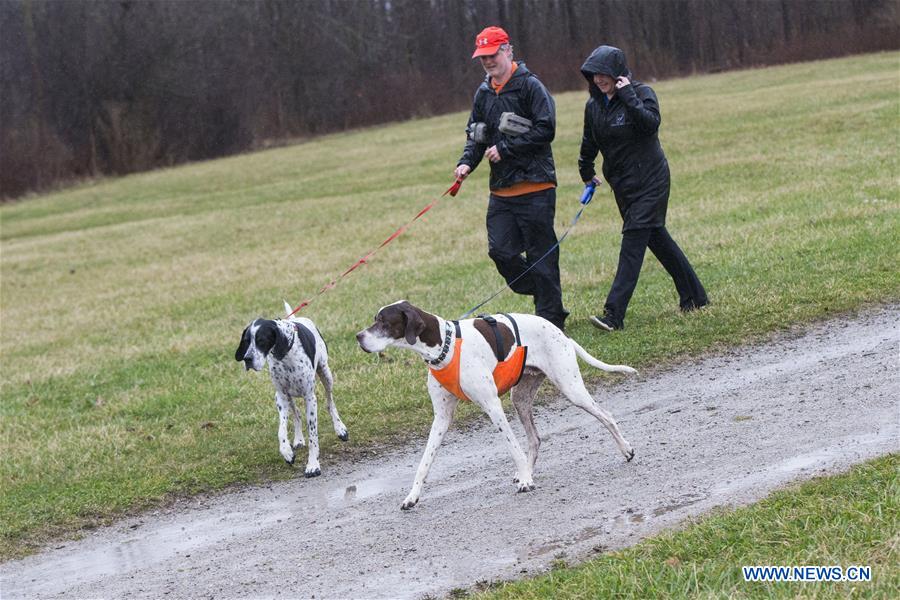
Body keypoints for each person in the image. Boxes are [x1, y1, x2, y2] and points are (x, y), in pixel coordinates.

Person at [578, 45, 708, 331]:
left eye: (604, 74)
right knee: (658, 240)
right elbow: (589, 142)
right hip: (623, 186)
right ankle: (695, 297)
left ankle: (614, 314)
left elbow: (650, 125)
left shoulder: (642, 93)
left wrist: (628, 96)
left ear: (618, 73)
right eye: (594, 75)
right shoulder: (594, 106)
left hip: (651, 181)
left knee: (632, 244)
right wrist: (586, 171)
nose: (599, 80)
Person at [454, 26, 569, 331]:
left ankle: (551, 320)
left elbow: (547, 129)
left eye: (492, 55)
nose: (488, 62)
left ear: (507, 50)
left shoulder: (531, 86)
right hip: (502, 192)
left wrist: (506, 148)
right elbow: (476, 134)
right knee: (500, 251)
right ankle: (544, 290)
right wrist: (466, 163)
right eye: (483, 58)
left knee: (540, 253)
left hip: (536, 186)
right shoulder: (483, 93)